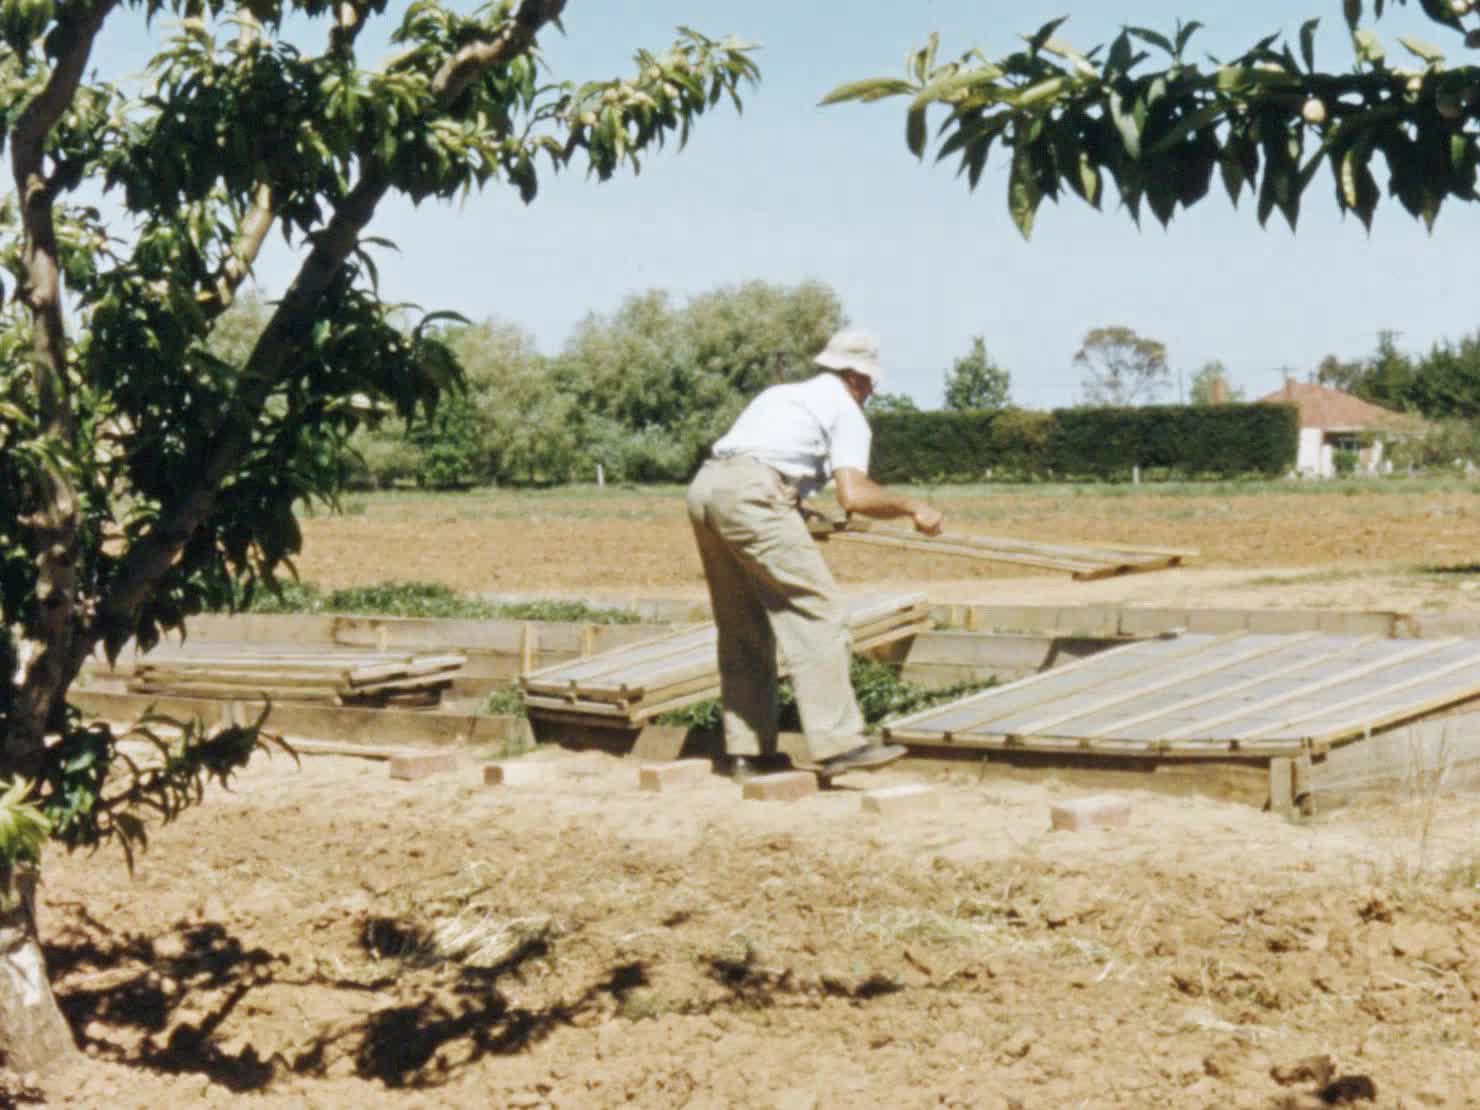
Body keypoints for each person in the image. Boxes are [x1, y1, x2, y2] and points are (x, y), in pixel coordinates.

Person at [686, 328, 944, 782]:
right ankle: (839, 744)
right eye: (871, 383)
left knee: (743, 625)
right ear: (859, 378)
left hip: (705, 490)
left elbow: (757, 464)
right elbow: (854, 495)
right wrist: (912, 507)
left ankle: (749, 754)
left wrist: (795, 512)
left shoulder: (781, 395)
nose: (870, 391)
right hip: (754, 497)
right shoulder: (846, 410)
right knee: (820, 615)